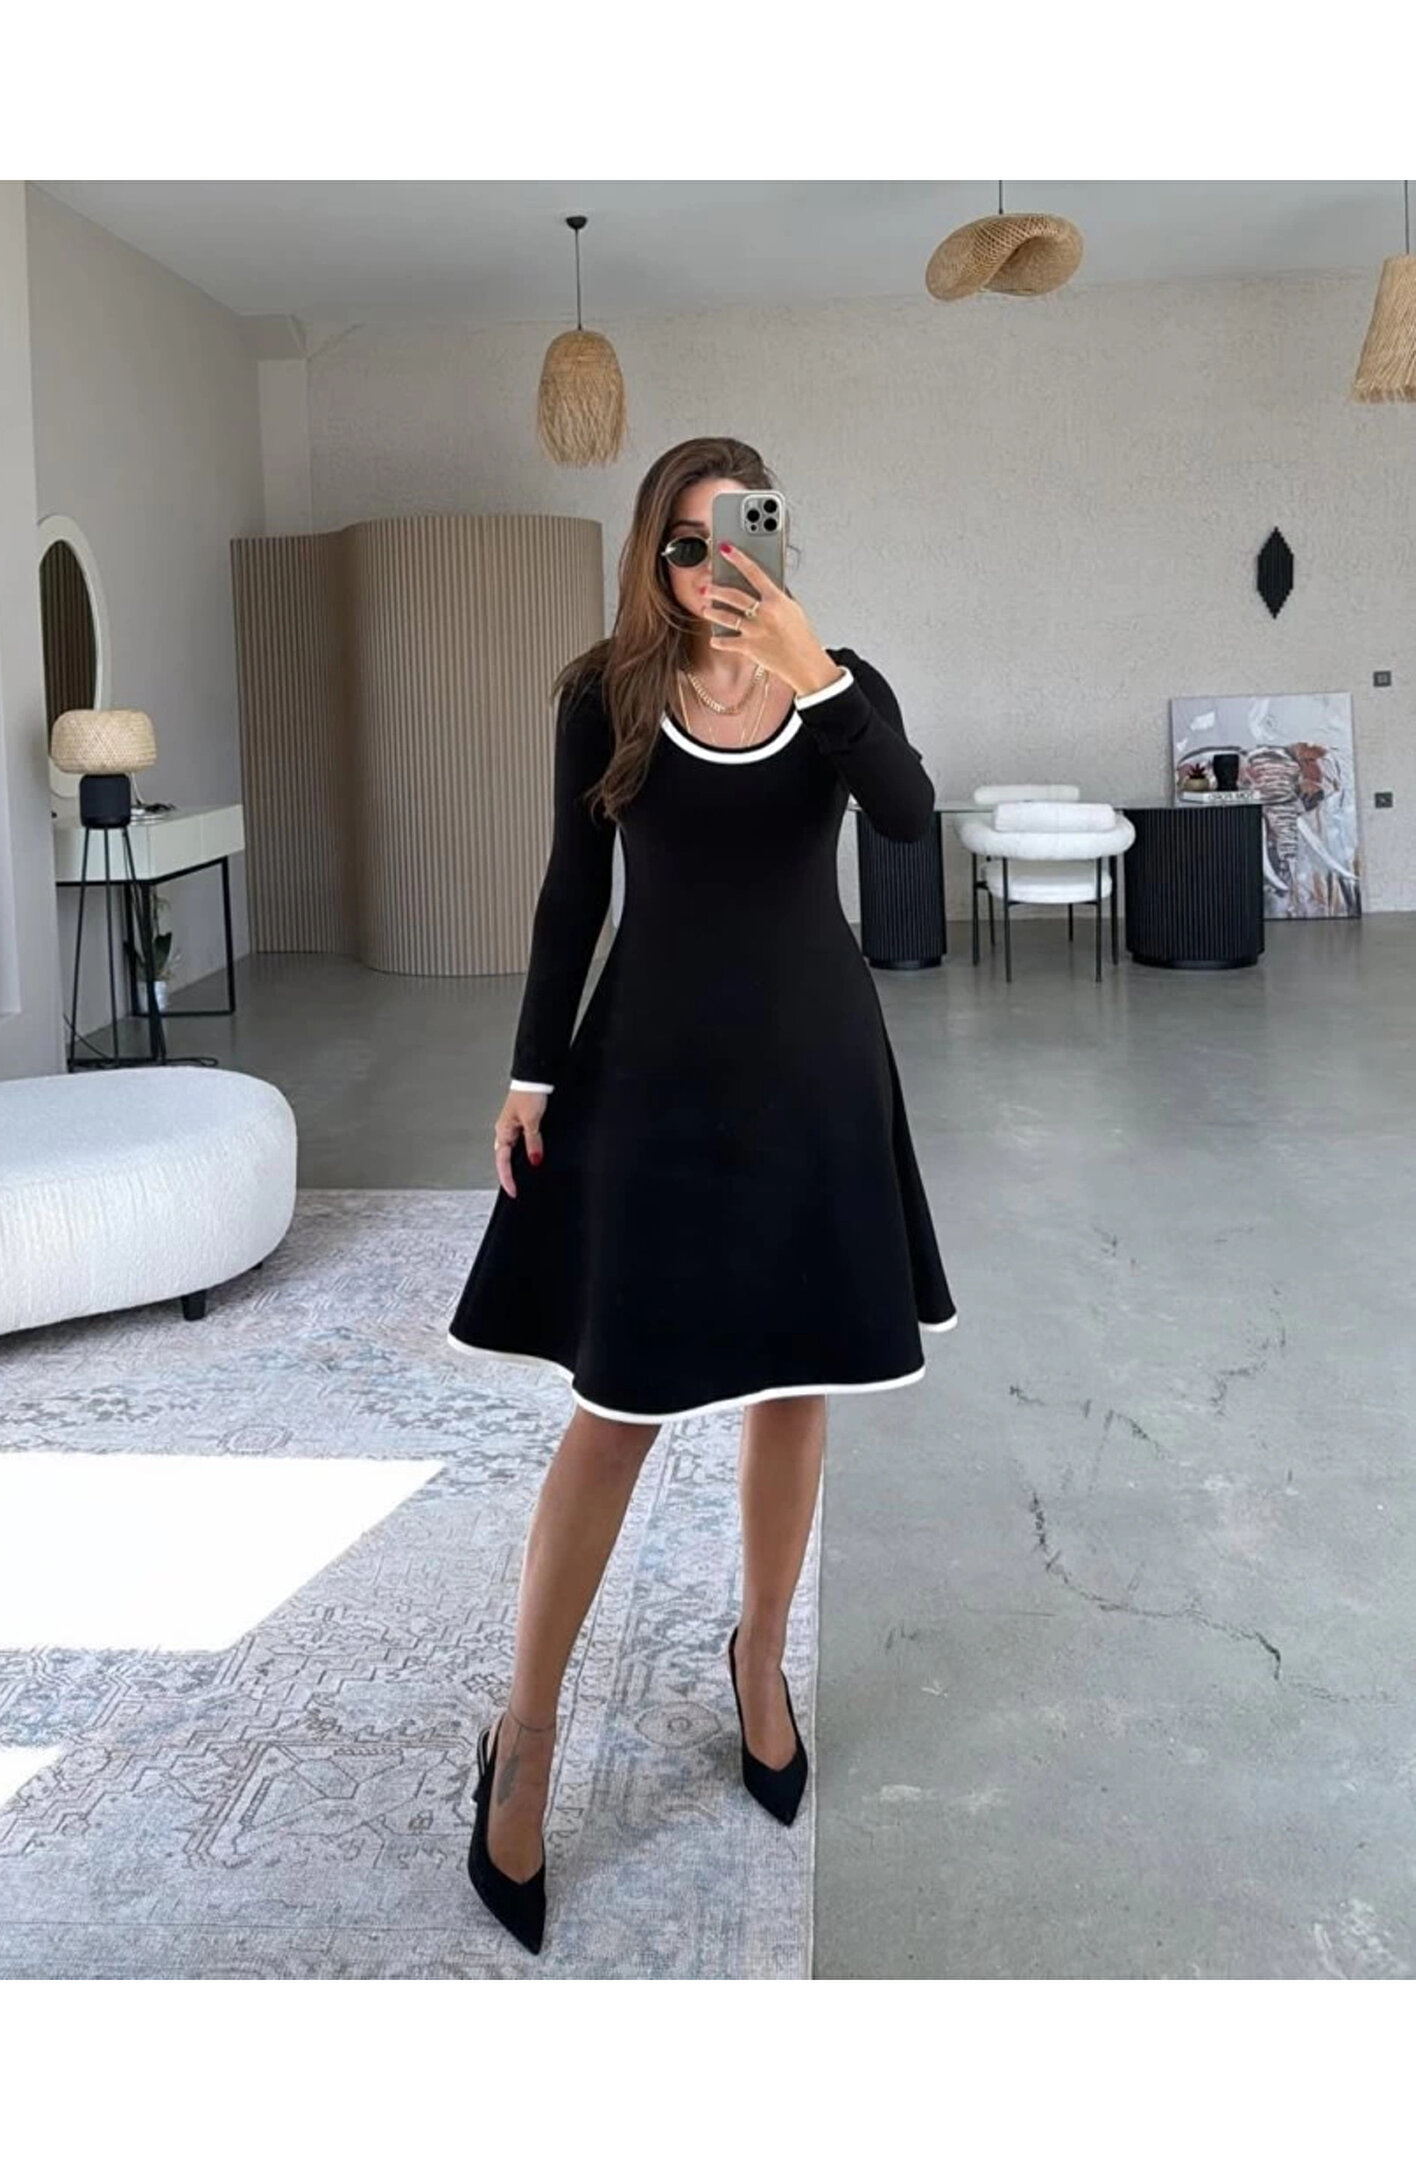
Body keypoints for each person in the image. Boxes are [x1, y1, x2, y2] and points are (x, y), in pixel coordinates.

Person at [450, 436, 957, 1955]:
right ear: (649, 555)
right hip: (654, 1081)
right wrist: (531, 1072)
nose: (708, 569)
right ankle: (525, 1732)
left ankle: (759, 1661)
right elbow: (571, 893)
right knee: (616, 1406)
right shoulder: (602, 695)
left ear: (772, 543)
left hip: (813, 1082)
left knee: (794, 1387)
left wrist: (809, 669)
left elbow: (910, 819)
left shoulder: (837, 684)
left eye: (734, 540)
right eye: (683, 545)